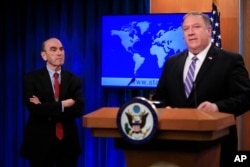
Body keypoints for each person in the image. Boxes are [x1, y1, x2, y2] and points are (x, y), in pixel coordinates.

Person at [153, 12, 250, 167]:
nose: (190, 32)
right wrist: (165, 109)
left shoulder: (230, 60)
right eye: (186, 29)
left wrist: (217, 107)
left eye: (196, 27)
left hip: (216, 146)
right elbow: (160, 97)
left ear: (209, 30)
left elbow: (245, 97)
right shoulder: (172, 62)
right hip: (176, 145)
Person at [20, 38, 84, 167]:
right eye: (53, 50)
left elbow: (78, 109)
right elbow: (34, 110)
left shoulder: (74, 80)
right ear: (44, 55)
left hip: (67, 143)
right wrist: (62, 105)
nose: (59, 53)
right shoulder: (31, 79)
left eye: (61, 49)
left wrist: (45, 107)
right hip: (40, 142)